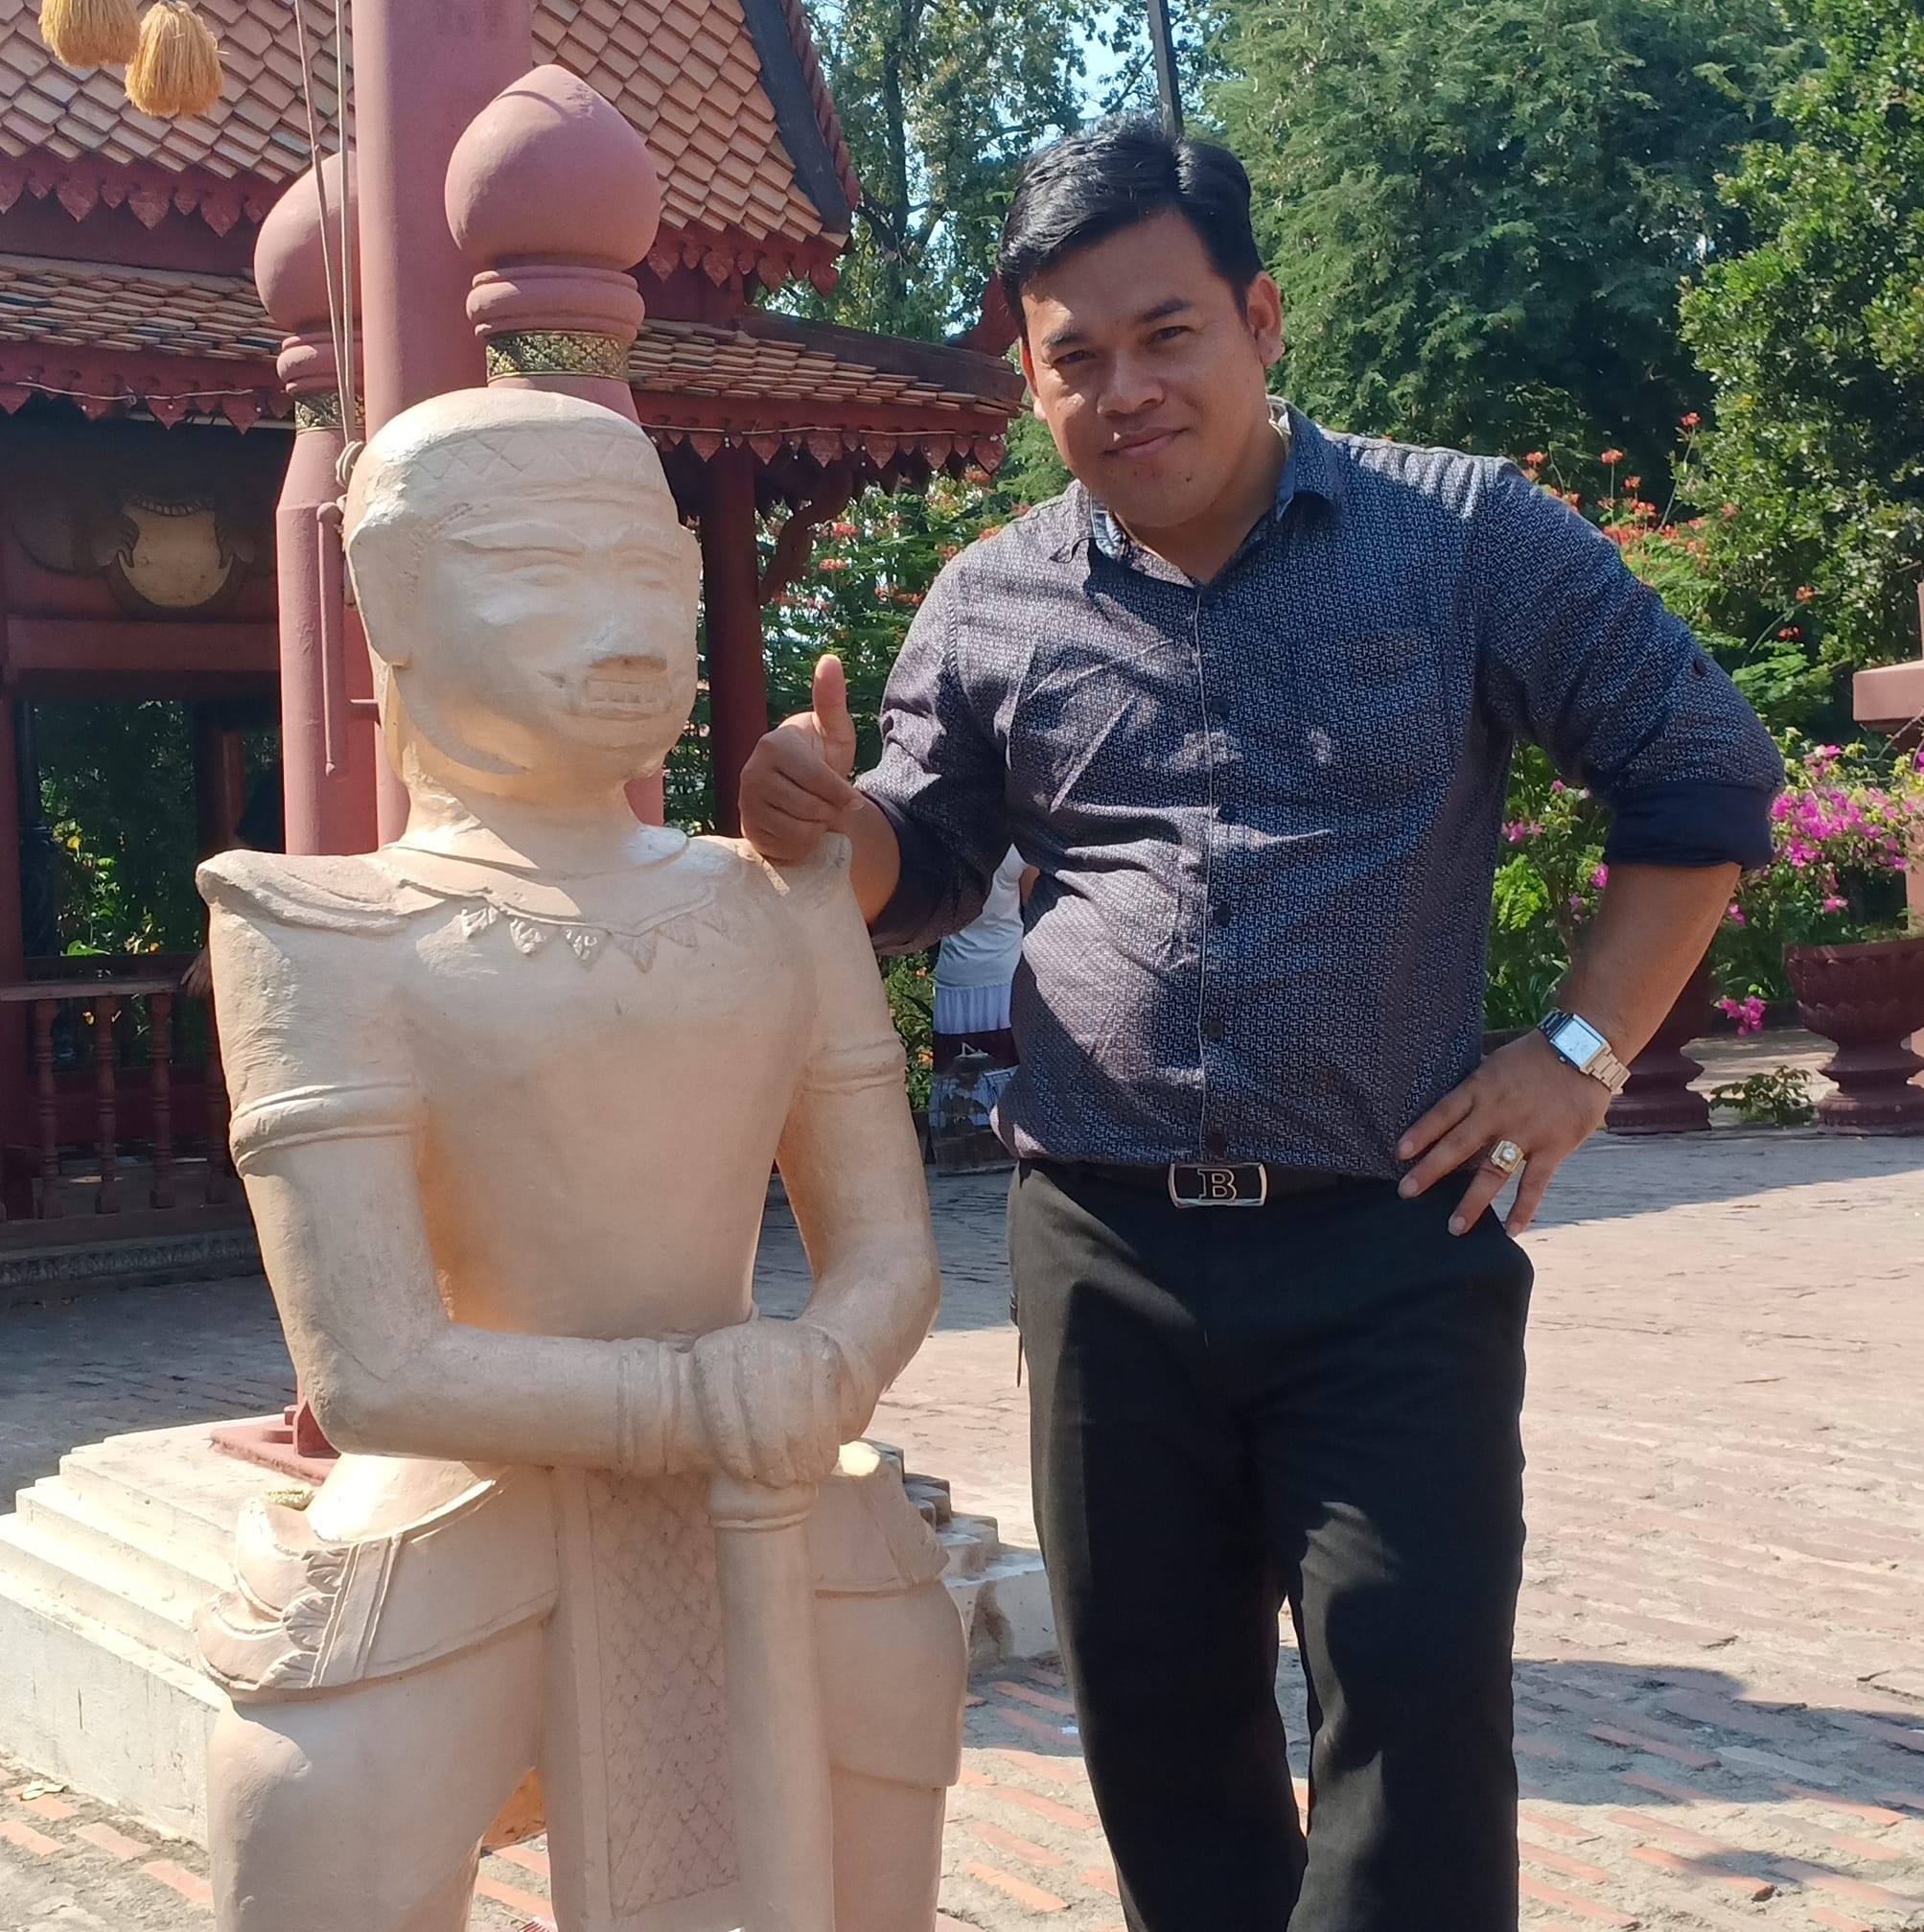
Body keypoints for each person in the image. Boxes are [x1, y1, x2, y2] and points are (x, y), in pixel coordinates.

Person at [738, 119, 1782, 1932]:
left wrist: (1578, 1057)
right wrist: (817, 827)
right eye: (1075, 356)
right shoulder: (993, 600)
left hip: (1389, 1244)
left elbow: (1701, 771)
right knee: (1165, 1751)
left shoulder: (1462, 540)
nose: (1125, 391)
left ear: (1261, 317)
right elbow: (921, 863)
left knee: (1415, 1731)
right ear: (1031, 376)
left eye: (1168, 335)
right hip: (1105, 1256)